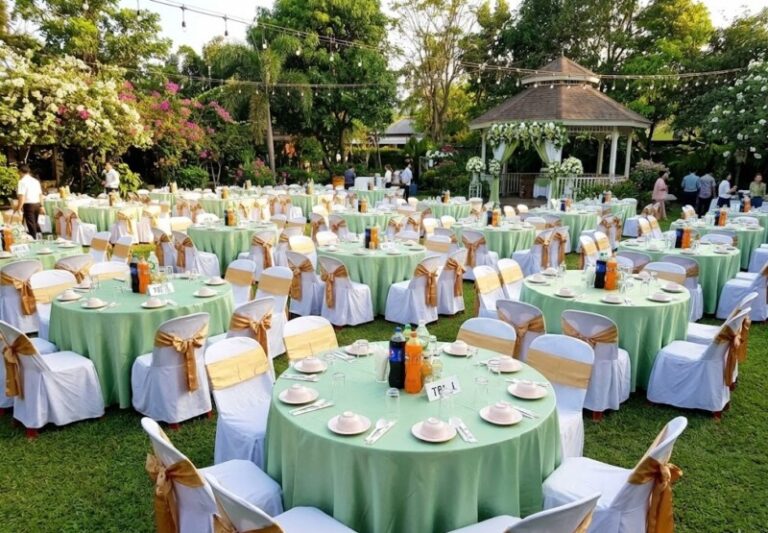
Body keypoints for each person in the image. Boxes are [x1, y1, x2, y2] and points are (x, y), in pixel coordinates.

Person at [16, 165, 43, 238]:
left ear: (20, 172)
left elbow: (22, 196)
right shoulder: (35, 181)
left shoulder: (22, 182)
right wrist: (42, 206)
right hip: (37, 203)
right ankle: (40, 237)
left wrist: (19, 208)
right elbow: (40, 194)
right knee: (35, 222)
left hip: (29, 205)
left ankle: (34, 239)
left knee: (31, 224)